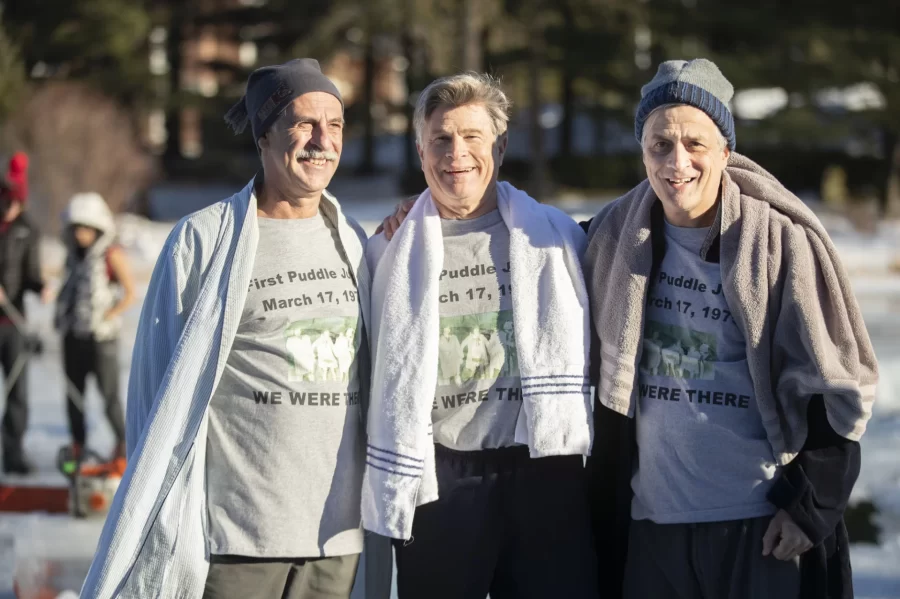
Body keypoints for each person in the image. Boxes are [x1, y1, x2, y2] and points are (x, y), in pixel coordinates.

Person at [81, 59, 386, 599]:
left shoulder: (355, 240)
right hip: (239, 539)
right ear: (265, 134)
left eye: (335, 125)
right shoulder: (203, 242)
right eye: (303, 123)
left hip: (339, 537)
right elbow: (157, 396)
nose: (322, 141)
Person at [583, 59, 878, 599]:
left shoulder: (780, 245)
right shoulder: (610, 238)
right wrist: (430, 213)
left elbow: (837, 386)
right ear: (642, 150)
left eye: (695, 143)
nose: (677, 162)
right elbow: (519, 254)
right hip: (654, 530)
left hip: (759, 526)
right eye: (660, 144)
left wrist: (809, 509)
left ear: (725, 149)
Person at [363, 72, 598, 599]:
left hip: (545, 468)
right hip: (442, 480)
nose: (457, 154)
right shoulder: (387, 253)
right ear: (420, 150)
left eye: (473, 138)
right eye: (441, 139)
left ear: (501, 145)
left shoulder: (556, 238)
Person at [55, 192, 136, 464]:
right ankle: (79, 445)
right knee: (74, 395)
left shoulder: (110, 255)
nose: (81, 234)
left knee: (109, 395)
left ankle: (122, 445)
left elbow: (130, 293)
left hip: (102, 339)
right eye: (76, 228)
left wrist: (108, 316)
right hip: (73, 336)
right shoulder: (73, 258)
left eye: (86, 229)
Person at [0, 152, 48, 475]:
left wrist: (40, 286)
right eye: (6, 202)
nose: (10, 208)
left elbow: (31, 272)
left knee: (18, 392)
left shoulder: (28, 228)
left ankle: (13, 453)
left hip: (13, 321)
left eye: (16, 203)